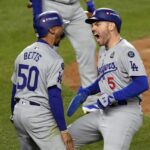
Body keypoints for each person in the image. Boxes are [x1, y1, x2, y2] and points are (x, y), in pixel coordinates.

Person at [67, 8, 149, 150]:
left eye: (97, 24)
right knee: (63, 140)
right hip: (103, 112)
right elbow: (105, 79)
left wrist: (112, 97)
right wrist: (87, 91)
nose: (93, 28)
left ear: (111, 26)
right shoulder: (104, 50)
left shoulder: (126, 50)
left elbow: (142, 83)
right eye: (92, 25)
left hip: (125, 114)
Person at [10, 11, 74, 150]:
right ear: (52, 30)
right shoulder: (54, 59)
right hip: (38, 118)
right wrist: (63, 130)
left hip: (19, 114)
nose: (63, 30)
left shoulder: (22, 53)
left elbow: (15, 89)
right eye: (60, 26)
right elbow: (54, 95)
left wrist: (14, 115)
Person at [27, 0, 98, 113]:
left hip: (75, 9)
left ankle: (92, 101)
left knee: (88, 47)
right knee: (47, 51)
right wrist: (37, 15)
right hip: (51, 6)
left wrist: (90, 4)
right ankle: (37, 98)